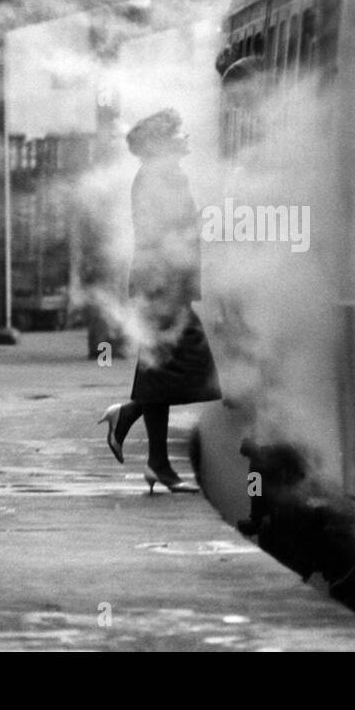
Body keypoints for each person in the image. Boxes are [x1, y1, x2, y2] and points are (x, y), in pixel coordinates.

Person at [97, 109, 222, 493]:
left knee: (160, 368)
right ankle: (134, 424)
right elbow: (166, 233)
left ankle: (156, 461)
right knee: (187, 366)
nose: (186, 137)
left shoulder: (158, 174)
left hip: (161, 283)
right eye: (179, 132)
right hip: (161, 285)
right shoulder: (161, 176)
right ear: (165, 141)